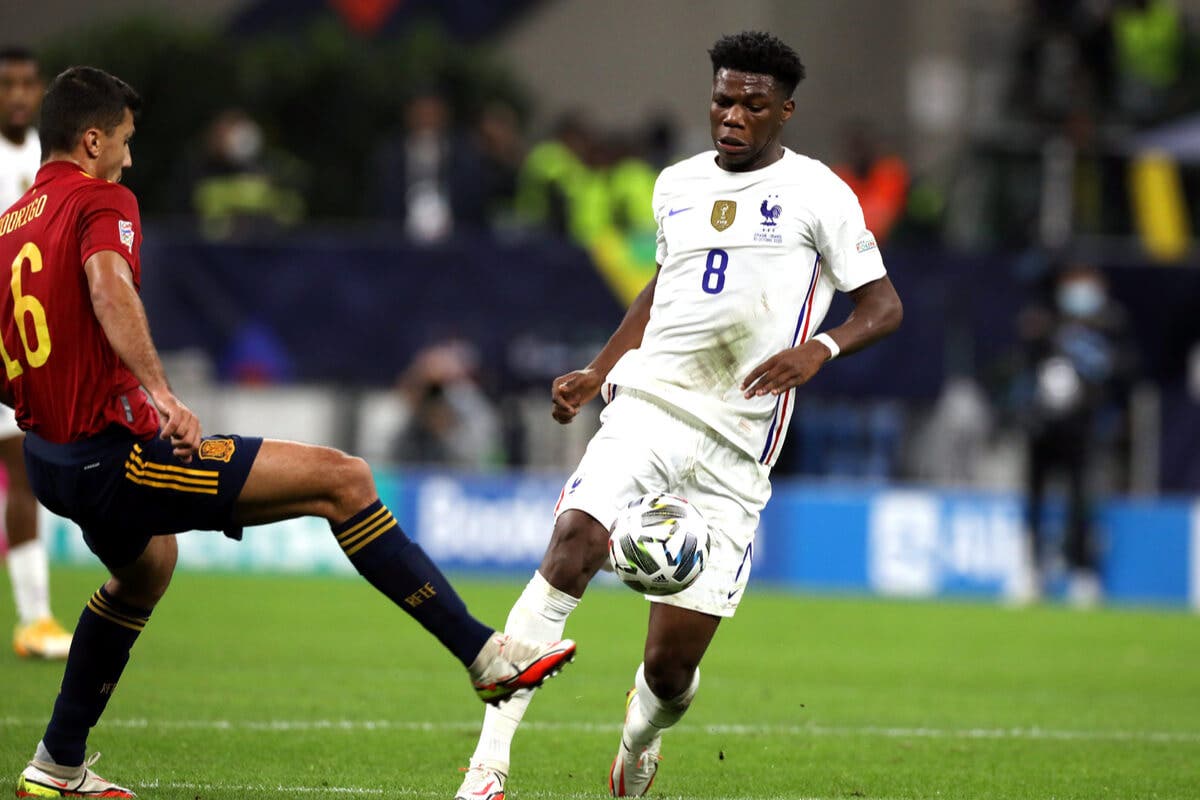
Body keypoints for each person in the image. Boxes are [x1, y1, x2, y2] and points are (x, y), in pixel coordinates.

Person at [2, 66, 575, 799]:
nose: (129, 158)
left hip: (50, 459)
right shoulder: (102, 200)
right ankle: (485, 659)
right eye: (123, 142)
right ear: (90, 140)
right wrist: (160, 392)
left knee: (147, 569)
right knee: (345, 480)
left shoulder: (12, 223)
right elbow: (109, 286)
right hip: (112, 458)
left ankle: (56, 764)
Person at [455, 31, 903, 800]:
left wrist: (819, 350)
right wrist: (600, 371)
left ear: (784, 112)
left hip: (738, 445)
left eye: (752, 105)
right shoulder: (676, 185)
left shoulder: (820, 193)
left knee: (670, 667)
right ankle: (488, 769)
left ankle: (641, 734)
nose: (731, 116)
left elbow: (884, 306)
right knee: (573, 542)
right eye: (723, 100)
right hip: (651, 405)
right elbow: (663, 289)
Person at [0, 45, 73, 660]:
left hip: (13, 345)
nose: (19, 95)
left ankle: (34, 619)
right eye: (7, 85)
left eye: (28, 83)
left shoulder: (45, 158)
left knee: (22, 469)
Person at [1017, 262, 1135, 605]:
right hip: (1043, 428)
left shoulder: (1112, 326)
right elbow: (1021, 368)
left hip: (1083, 429)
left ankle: (1083, 572)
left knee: (1081, 501)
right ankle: (1032, 571)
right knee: (1036, 499)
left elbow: (1124, 374)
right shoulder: (1045, 322)